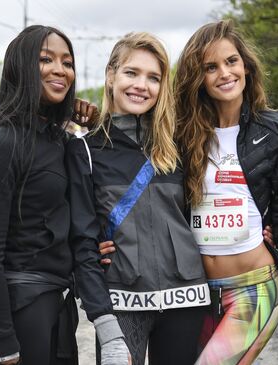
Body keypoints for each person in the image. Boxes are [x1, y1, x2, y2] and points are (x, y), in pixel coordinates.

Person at [0, 25, 129, 365]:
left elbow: (85, 193)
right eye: (45, 59)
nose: (60, 69)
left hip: (57, 302)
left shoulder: (58, 140)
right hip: (19, 307)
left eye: (67, 62)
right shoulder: (2, 141)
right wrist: (5, 343)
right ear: (20, 66)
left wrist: (96, 124)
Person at [174, 20, 278, 364]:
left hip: (256, 289)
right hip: (194, 292)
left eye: (231, 61)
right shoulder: (181, 133)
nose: (224, 73)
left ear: (246, 66)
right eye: (211, 67)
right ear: (198, 78)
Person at [68, 32, 209, 365]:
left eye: (154, 78)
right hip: (121, 303)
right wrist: (102, 317)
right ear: (111, 76)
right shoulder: (84, 150)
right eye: (132, 73)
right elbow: (81, 241)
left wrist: (266, 225)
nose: (141, 85)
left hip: (184, 302)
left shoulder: (180, 146)